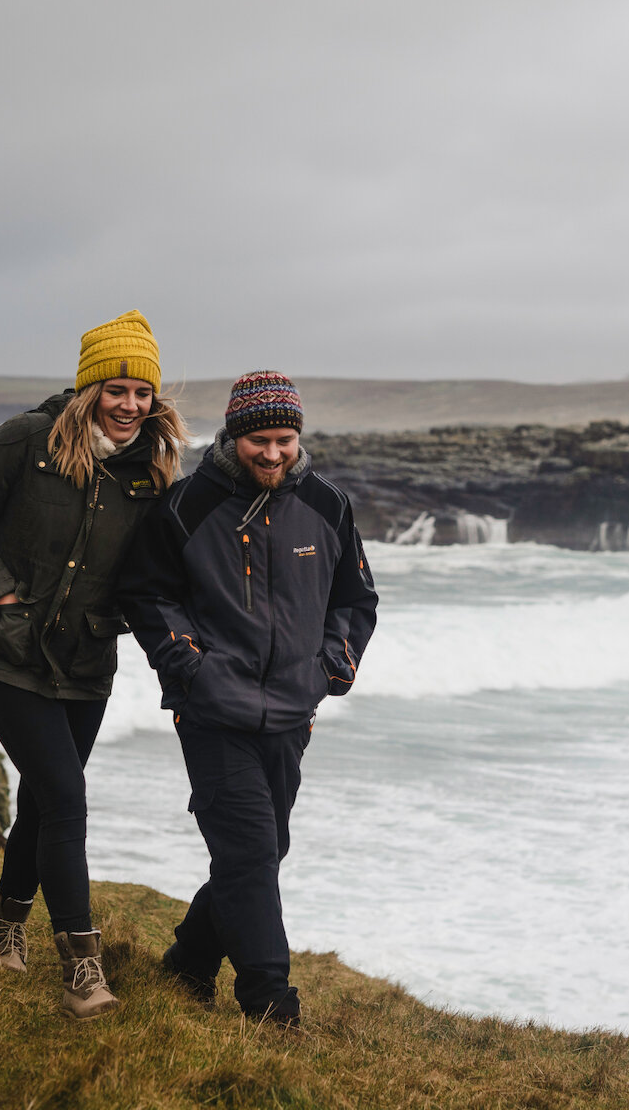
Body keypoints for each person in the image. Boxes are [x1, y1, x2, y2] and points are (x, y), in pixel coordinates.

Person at [0, 309, 187, 1020]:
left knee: (45, 803)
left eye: (143, 392)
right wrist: (6, 599)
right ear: (88, 391)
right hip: (9, 654)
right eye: (117, 389)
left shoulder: (154, 472)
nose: (131, 405)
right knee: (67, 798)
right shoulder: (26, 439)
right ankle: (84, 968)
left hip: (86, 662)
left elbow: (159, 576)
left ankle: (2, 933)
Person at [119, 371, 378, 1029]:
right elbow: (146, 595)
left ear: (299, 437)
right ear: (235, 438)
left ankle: (186, 966)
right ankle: (271, 1008)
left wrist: (331, 670)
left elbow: (355, 599)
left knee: (260, 853)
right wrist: (190, 668)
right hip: (211, 712)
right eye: (260, 440)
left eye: (284, 440)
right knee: (250, 856)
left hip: (293, 712)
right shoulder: (185, 506)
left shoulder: (327, 503)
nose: (273, 453)